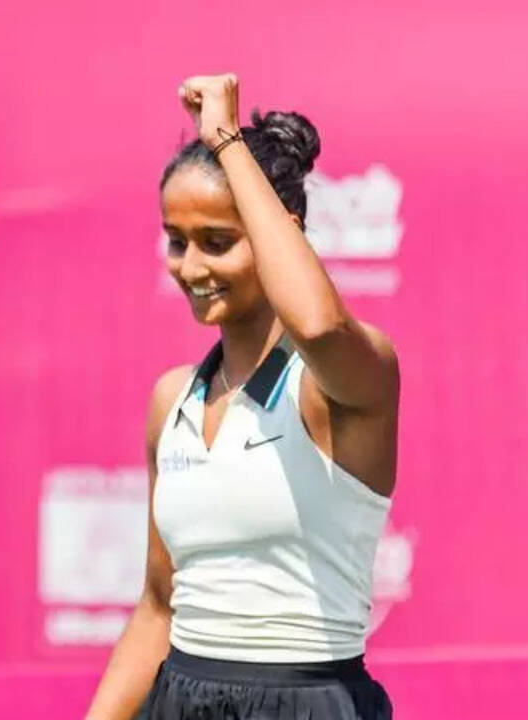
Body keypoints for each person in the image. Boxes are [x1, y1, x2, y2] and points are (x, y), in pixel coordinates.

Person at [85, 74, 399, 720]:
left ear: (282, 233)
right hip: (178, 699)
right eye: (177, 241)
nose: (192, 267)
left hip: (311, 702)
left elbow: (317, 325)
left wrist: (228, 141)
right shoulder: (172, 400)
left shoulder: (342, 378)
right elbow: (159, 607)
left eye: (218, 242)